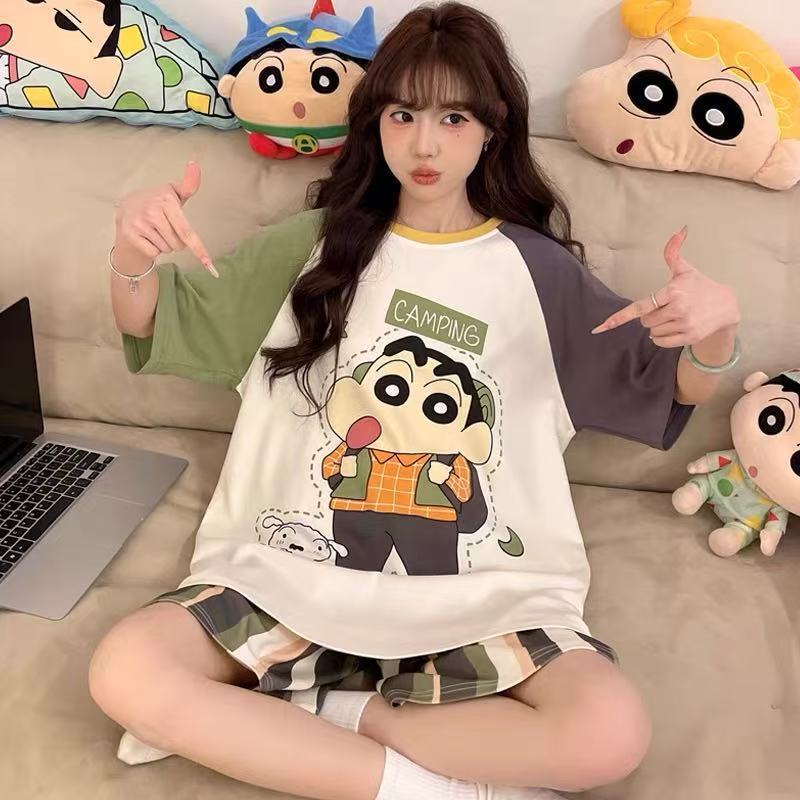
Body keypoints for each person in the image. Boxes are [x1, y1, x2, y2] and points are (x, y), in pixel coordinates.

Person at [89, 4, 742, 800]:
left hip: (483, 598)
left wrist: (715, 331)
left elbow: (672, 385)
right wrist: (129, 247)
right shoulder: (311, 248)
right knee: (125, 668)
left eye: (453, 117)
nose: (425, 144)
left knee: (610, 732)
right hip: (283, 580)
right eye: (404, 114)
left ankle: (330, 715)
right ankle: (427, 787)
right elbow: (150, 320)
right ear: (377, 123)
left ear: (492, 131)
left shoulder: (539, 274)